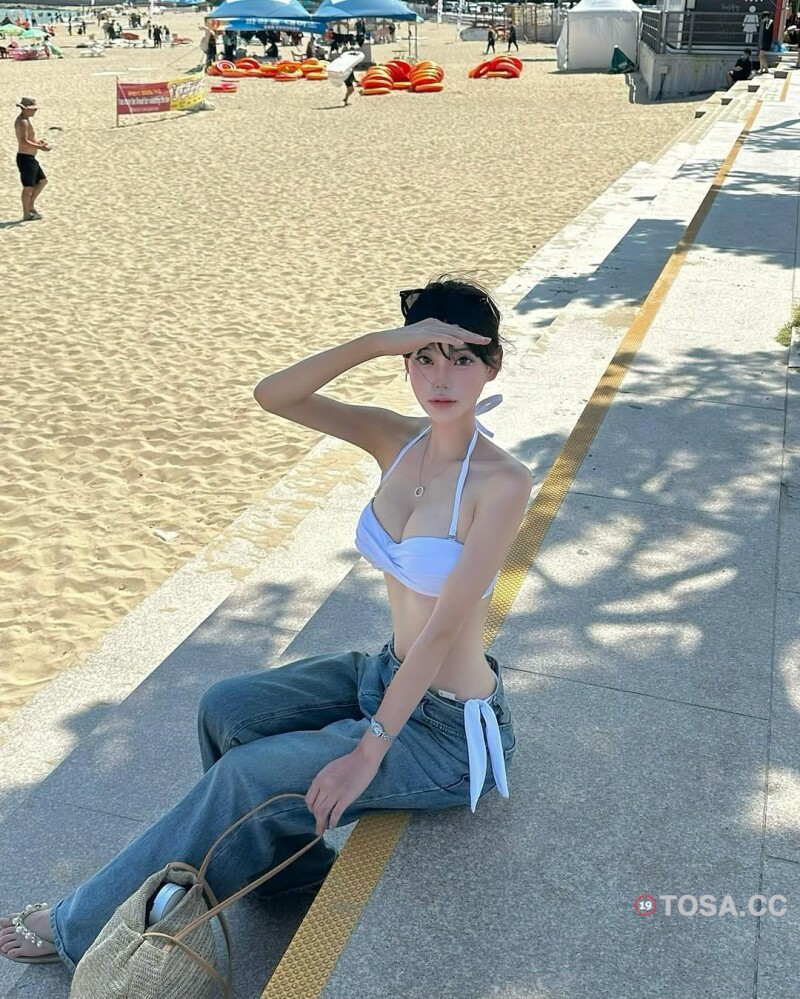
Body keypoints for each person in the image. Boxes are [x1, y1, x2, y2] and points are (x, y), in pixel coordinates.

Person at [0, 277, 530, 970]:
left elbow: (442, 632)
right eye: (423, 357)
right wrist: (377, 342)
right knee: (226, 708)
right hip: (386, 671)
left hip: (447, 733)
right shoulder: (395, 439)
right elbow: (274, 395)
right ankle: (283, 871)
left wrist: (367, 751)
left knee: (246, 775)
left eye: (461, 359)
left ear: (492, 365)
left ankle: (78, 927)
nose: (440, 377)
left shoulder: (502, 481)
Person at [14, 97, 49, 222]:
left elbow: (29, 139)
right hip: (25, 158)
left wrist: (38, 142)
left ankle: (30, 205)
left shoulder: (26, 120)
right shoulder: (23, 121)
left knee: (42, 181)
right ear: (24, 109)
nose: (35, 111)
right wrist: (40, 147)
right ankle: (26, 213)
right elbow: (23, 141)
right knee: (28, 187)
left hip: (29, 157)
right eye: (33, 109)